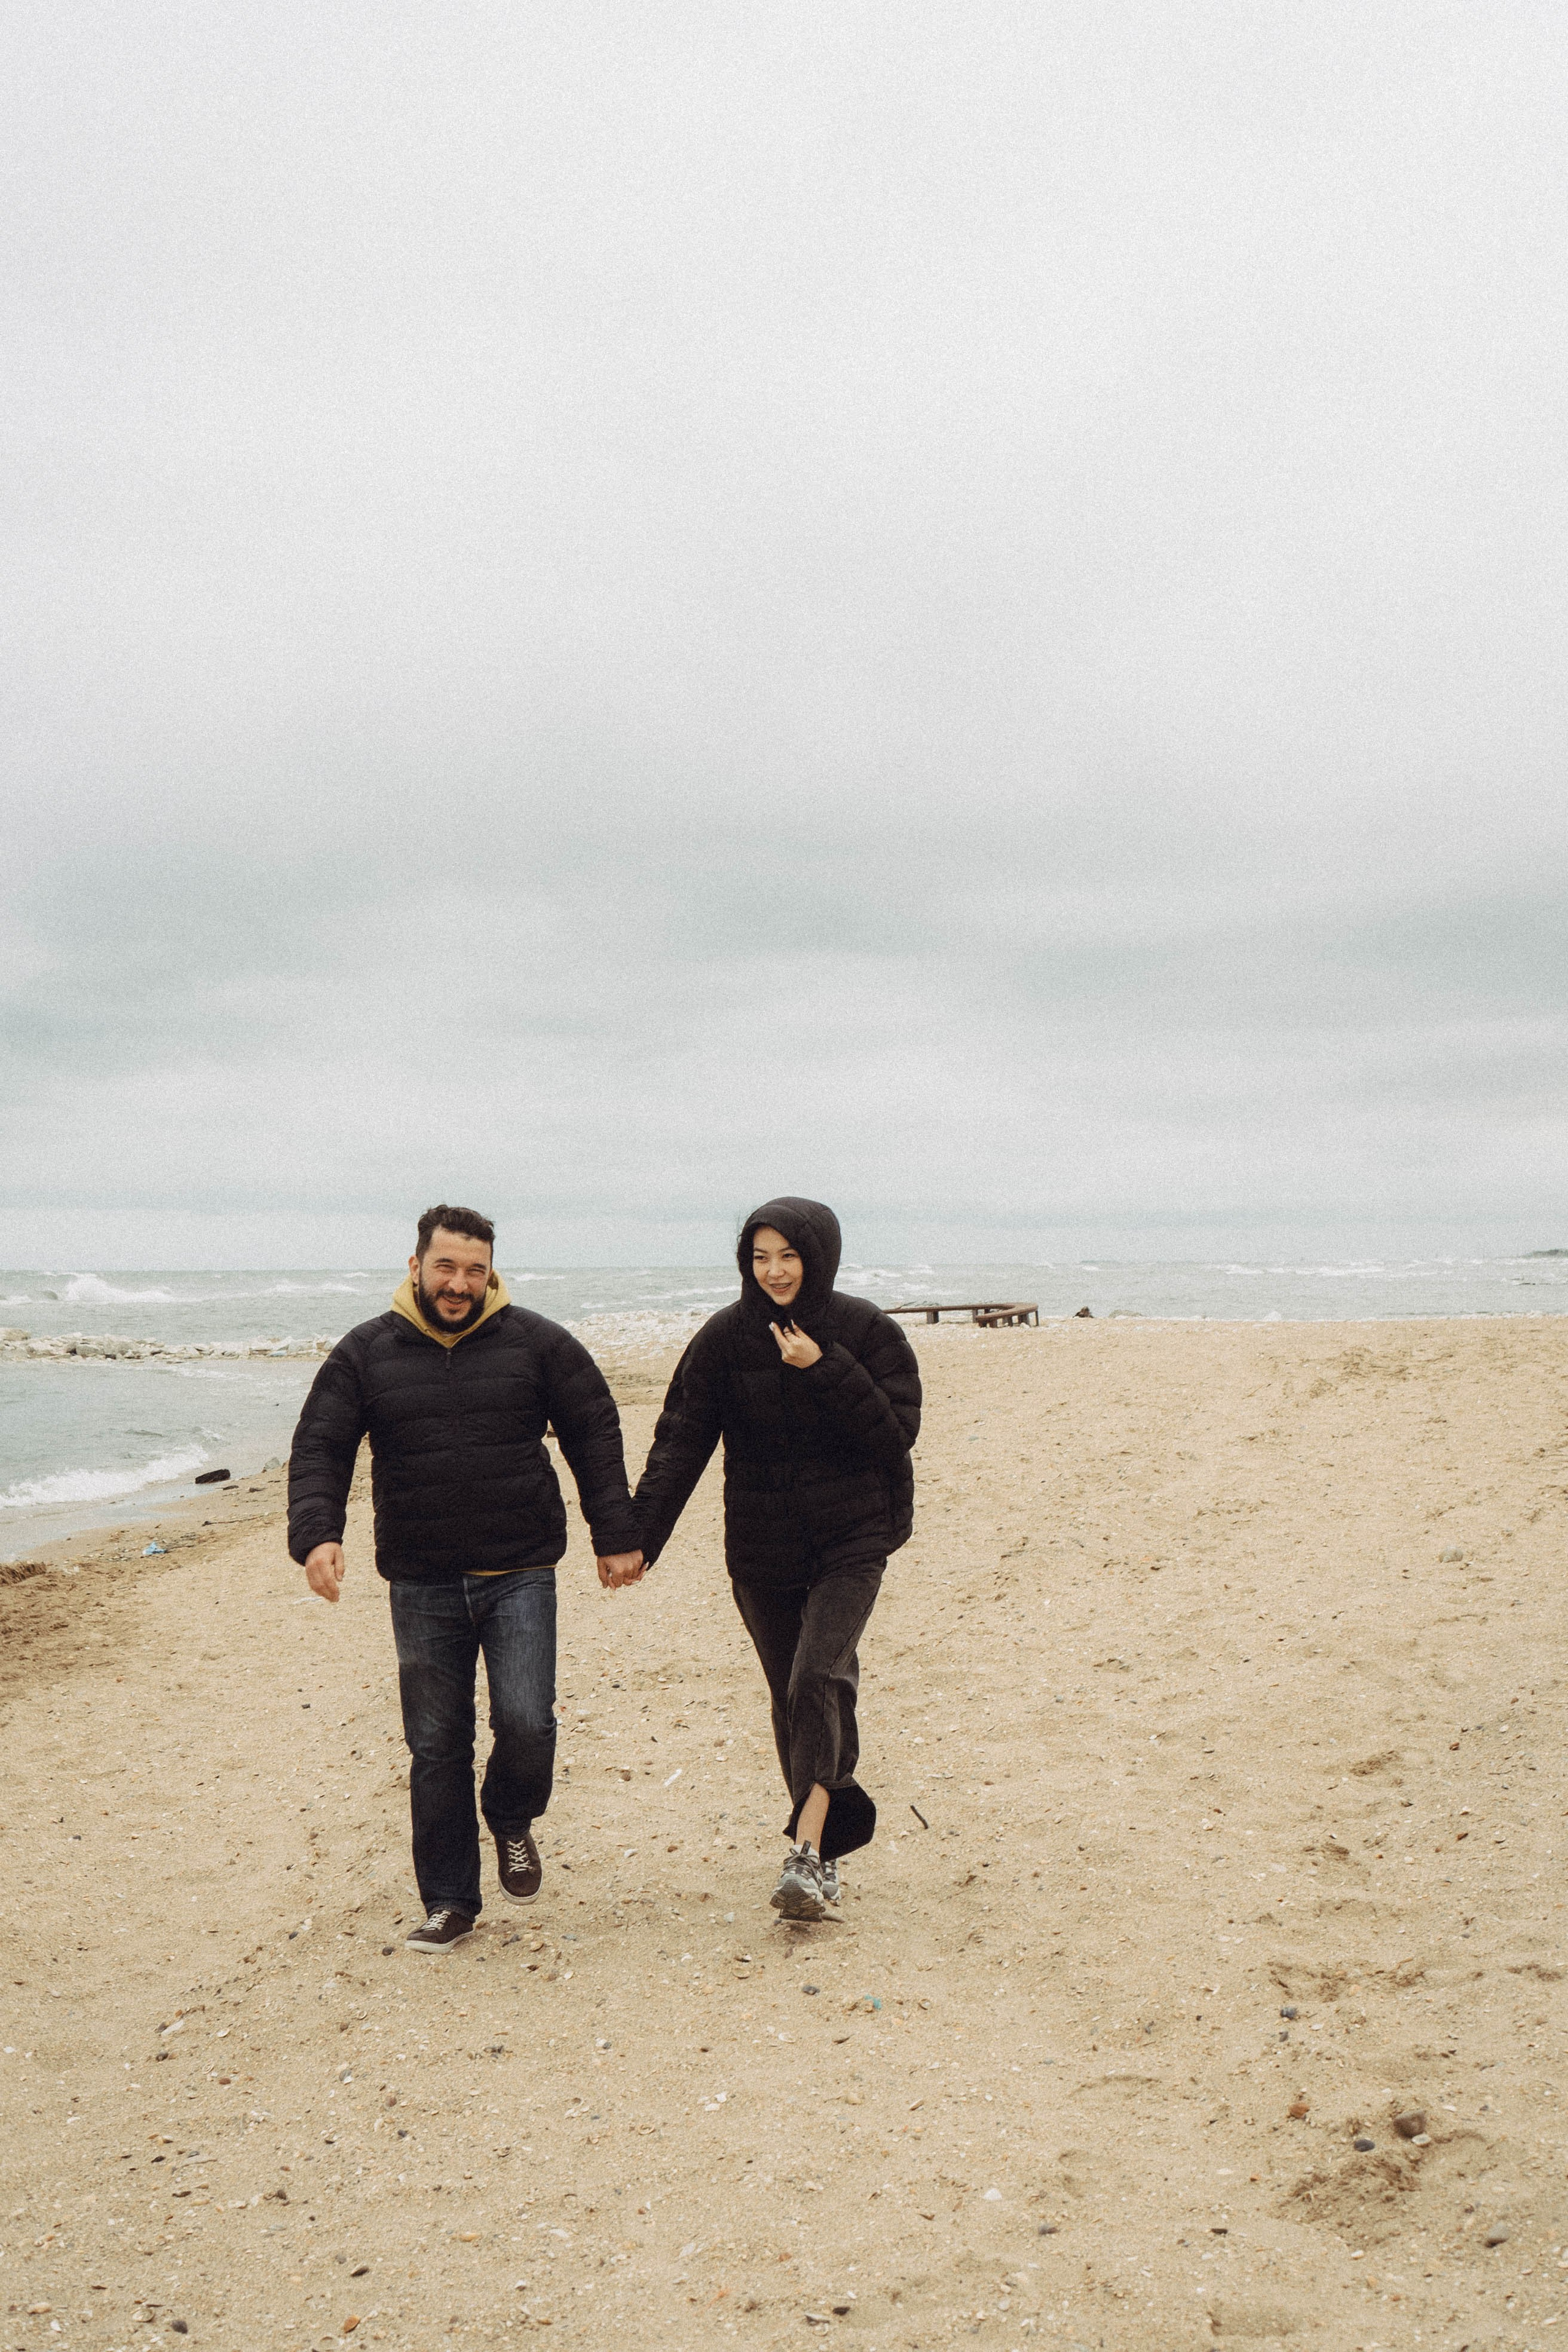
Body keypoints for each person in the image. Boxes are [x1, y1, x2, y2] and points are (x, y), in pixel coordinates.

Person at [287, 1205, 643, 1954]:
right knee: (436, 1745)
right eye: (445, 1267)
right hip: (421, 1580)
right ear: (415, 1266)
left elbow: (593, 1426)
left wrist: (614, 1534)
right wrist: (318, 1534)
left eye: (474, 1270)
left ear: (492, 1272)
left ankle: (510, 1815)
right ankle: (450, 1900)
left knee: (526, 1721)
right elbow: (322, 1442)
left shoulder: (538, 1343)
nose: (459, 1283)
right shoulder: (366, 1352)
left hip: (519, 1569)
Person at [630, 1196, 921, 1920]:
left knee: (815, 1677)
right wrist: (638, 1539)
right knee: (797, 1699)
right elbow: (679, 1443)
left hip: (852, 1541)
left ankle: (808, 1853)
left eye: (788, 1256)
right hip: (761, 1550)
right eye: (760, 1257)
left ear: (817, 1256)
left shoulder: (866, 1331)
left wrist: (823, 1367)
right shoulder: (726, 1339)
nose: (775, 1271)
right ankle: (821, 1852)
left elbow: (895, 1436)